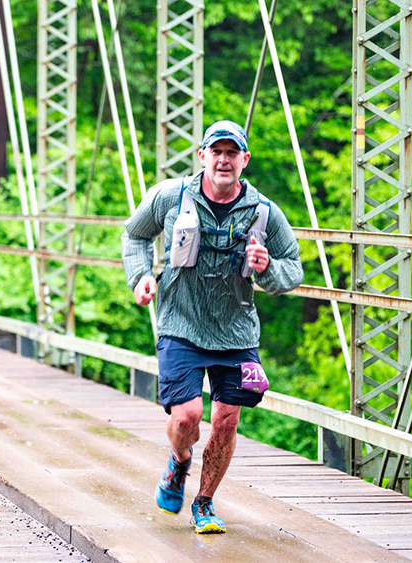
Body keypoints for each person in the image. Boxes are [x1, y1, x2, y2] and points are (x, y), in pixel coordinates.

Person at [121, 120, 303, 534]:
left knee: (226, 419)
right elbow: (134, 236)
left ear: (245, 160)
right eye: (216, 152)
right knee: (187, 417)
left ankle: (204, 502)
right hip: (180, 322)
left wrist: (267, 268)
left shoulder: (263, 212)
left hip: (236, 331)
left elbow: (293, 270)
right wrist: (141, 277)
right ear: (202, 156)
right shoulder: (170, 196)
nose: (223, 160)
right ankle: (180, 461)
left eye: (232, 153)